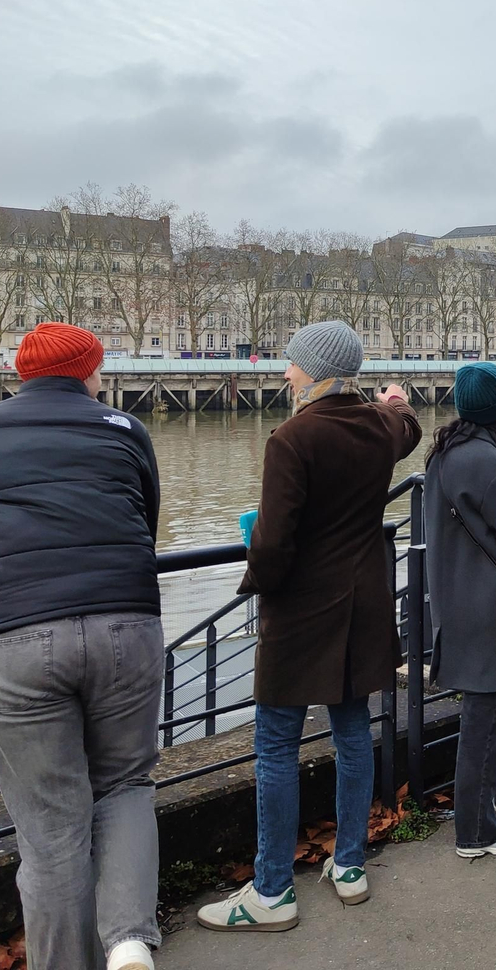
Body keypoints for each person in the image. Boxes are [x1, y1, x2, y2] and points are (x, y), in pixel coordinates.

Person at [0, 323, 163, 970]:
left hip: (15, 633)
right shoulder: (123, 429)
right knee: (125, 786)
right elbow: (143, 523)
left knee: (50, 826)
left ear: (20, 374)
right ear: (88, 372)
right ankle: (126, 942)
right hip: (126, 620)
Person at [198, 321, 421, 933]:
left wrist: (254, 580)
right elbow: (409, 426)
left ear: (319, 372)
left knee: (275, 743)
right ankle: (348, 865)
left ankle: (272, 891)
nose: (285, 374)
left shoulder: (291, 439)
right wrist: (394, 401)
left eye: (293, 364)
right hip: (364, 608)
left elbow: (272, 544)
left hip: (302, 615)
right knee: (352, 733)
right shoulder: (379, 429)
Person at [422, 360, 496, 860]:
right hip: (492, 609)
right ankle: (476, 831)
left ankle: (492, 812)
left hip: (459, 602)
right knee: (484, 724)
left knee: (489, 716)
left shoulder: (447, 453)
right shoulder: (489, 463)